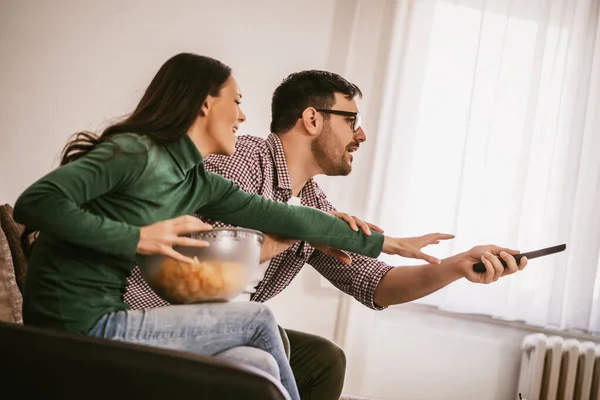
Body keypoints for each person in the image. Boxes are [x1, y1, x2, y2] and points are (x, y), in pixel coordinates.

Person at [13, 54, 450, 400]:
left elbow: (287, 218)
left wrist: (384, 242)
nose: (243, 116)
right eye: (236, 101)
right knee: (258, 320)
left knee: (254, 363)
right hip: (78, 332)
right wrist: (137, 238)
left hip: (111, 322)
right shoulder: (136, 152)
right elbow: (35, 203)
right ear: (206, 103)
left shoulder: (196, 179)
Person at [125, 69, 529, 399]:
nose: (362, 134)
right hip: (165, 317)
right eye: (351, 120)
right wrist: (299, 235)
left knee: (323, 359)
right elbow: (200, 266)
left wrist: (456, 267)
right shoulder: (245, 159)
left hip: (226, 321)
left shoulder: (314, 203)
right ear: (312, 119)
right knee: (270, 343)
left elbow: (374, 283)